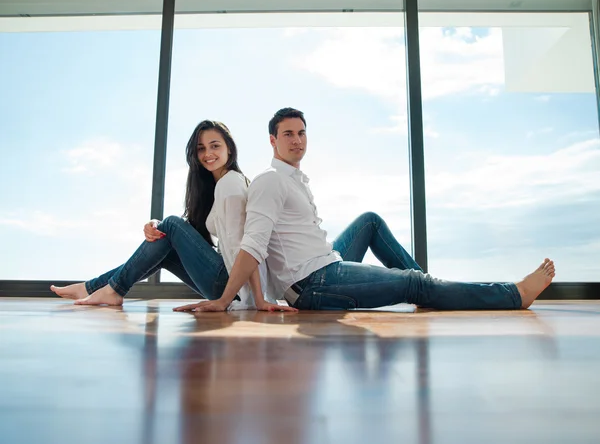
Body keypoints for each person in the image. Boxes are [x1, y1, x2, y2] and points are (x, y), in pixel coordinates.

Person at [174, 108, 555, 313]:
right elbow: (251, 244)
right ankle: (511, 294)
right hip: (313, 283)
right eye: (287, 134)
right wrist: (227, 300)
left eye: (301, 132)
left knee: (370, 222)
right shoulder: (270, 181)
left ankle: (428, 289)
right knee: (412, 282)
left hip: (327, 263)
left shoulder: (295, 179)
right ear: (272, 141)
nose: (297, 140)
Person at [51, 120, 296, 312]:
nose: (207, 153)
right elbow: (188, 235)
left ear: (230, 150)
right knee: (165, 237)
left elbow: (247, 244)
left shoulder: (230, 184)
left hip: (231, 286)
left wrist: (254, 299)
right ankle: (94, 288)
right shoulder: (219, 185)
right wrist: (157, 226)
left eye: (215, 146)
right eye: (201, 148)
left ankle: (109, 289)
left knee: (170, 225)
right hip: (230, 284)